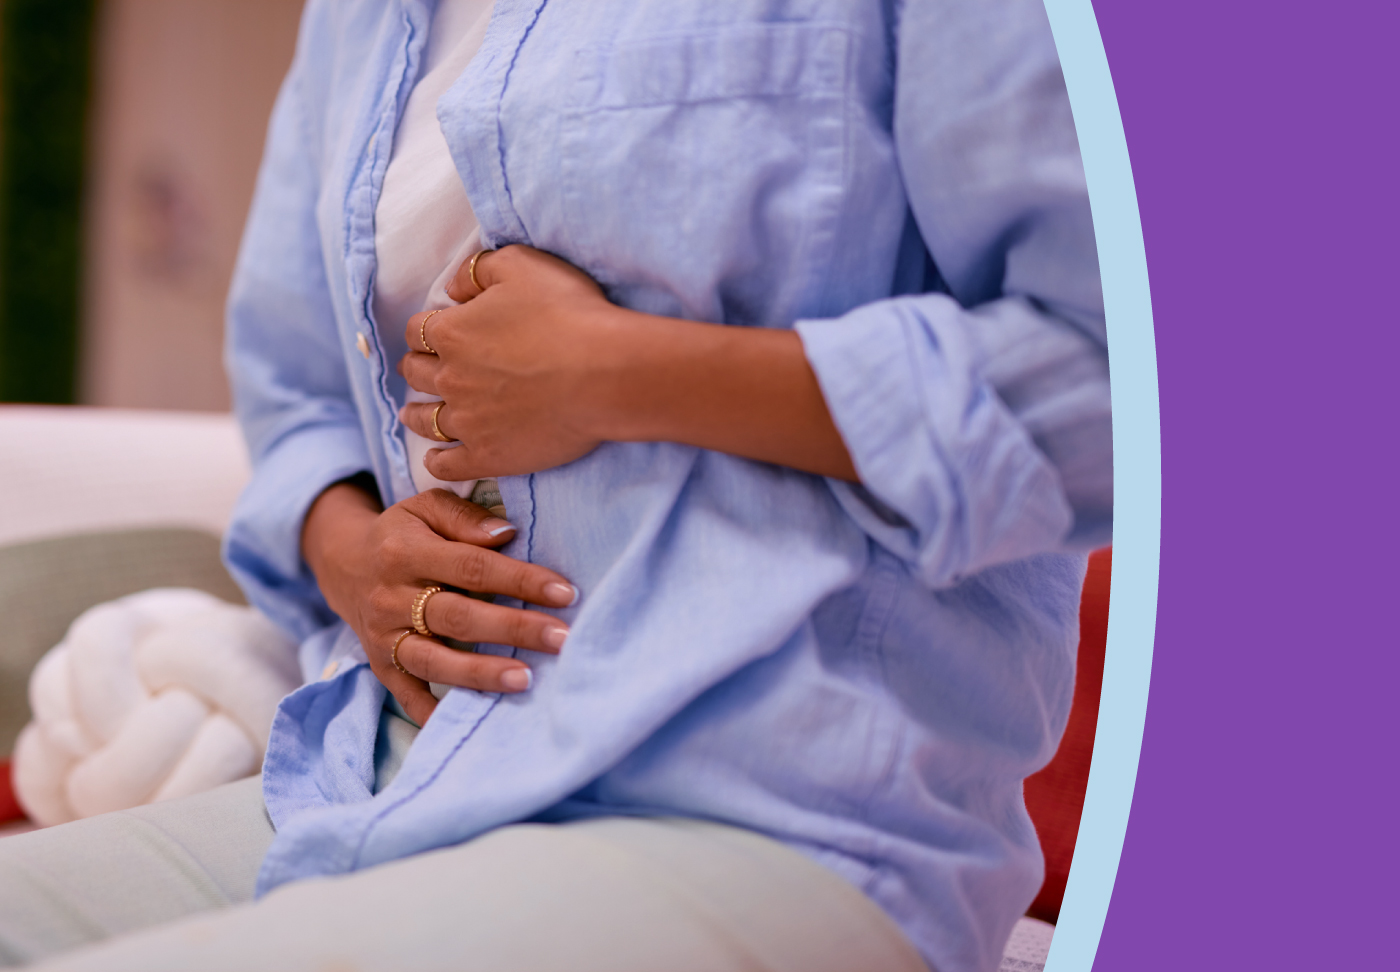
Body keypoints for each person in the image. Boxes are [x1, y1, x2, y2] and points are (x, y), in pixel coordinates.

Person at [0, 0, 1110, 969]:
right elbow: (295, 390)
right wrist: (357, 562)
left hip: (775, 812)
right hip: (391, 765)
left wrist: (619, 374)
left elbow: (1115, 378)